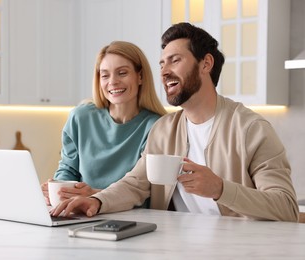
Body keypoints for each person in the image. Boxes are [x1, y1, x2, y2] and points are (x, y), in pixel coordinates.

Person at [51, 22, 299, 222]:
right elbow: (135, 184)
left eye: (175, 60)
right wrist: (98, 201)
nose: (164, 71)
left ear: (206, 63)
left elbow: (286, 207)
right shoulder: (164, 129)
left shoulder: (250, 129)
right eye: (162, 63)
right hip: (172, 247)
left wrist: (220, 189)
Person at [41, 41, 167, 205]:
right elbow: (68, 169)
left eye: (122, 73)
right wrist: (60, 190)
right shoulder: (81, 117)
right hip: (81, 214)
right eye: (105, 75)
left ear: (140, 76)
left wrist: (93, 195)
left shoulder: (156, 126)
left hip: (132, 219)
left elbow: (145, 191)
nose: (113, 82)